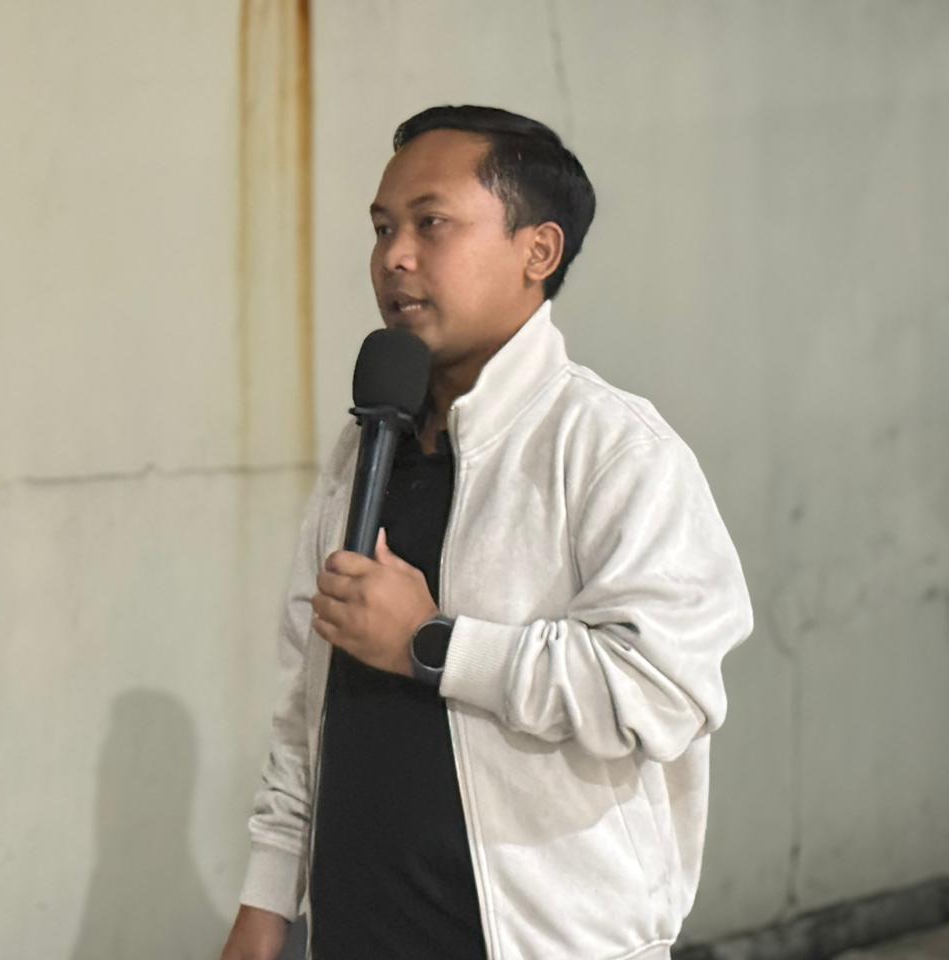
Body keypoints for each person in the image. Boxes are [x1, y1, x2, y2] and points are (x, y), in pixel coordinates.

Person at [219, 105, 754, 960]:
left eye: (431, 223)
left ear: (538, 252)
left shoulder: (614, 449)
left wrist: (432, 643)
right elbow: (307, 698)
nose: (394, 257)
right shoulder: (367, 446)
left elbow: (661, 691)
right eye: (383, 228)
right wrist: (267, 899)